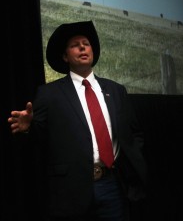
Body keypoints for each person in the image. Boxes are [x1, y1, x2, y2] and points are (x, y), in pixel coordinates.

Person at [8, 21, 147, 221]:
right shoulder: (49, 94)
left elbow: (134, 134)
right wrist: (28, 128)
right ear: (65, 56)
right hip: (70, 191)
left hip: (113, 186)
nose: (82, 47)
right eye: (75, 45)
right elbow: (39, 141)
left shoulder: (116, 91)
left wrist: (129, 163)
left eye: (86, 43)